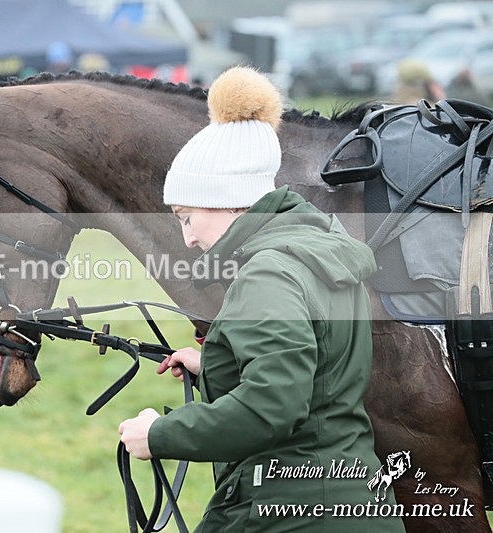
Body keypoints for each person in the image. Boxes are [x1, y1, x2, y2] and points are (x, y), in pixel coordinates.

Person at [118, 67, 405, 531]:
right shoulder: (317, 249)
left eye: (187, 217)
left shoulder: (267, 273)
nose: (187, 238)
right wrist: (217, 360)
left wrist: (159, 434)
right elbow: (317, 369)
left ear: (229, 201)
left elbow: (272, 407)